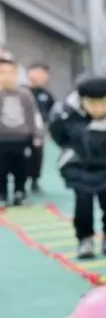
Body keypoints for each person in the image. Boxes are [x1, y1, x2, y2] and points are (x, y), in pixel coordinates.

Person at [49, 76, 106, 259]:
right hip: (78, 166)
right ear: (82, 101)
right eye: (92, 103)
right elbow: (58, 134)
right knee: (83, 203)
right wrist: (71, 153)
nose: (97, 108)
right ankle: (85, 239)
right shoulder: (67, 115)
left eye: (103, 103)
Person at [0, 56, 44, 207]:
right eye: (2, 72)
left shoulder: (25, 94)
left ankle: (20, 192)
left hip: (22, 138)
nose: (7, 76)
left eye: (11, 72)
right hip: (1, 139)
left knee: (21, 167)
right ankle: (2, 193)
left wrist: (36, 135)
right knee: (2, 168)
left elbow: (33, 116)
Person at [24, 62, 56, 193]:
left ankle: (34, 181)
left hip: (38, 133)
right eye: (40, 73)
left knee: (37, 156)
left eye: (45, 74)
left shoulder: (47, 95)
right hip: (20, 131)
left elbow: (52, 114)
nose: (44, 76)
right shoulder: (21, 91)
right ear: (29, 74)